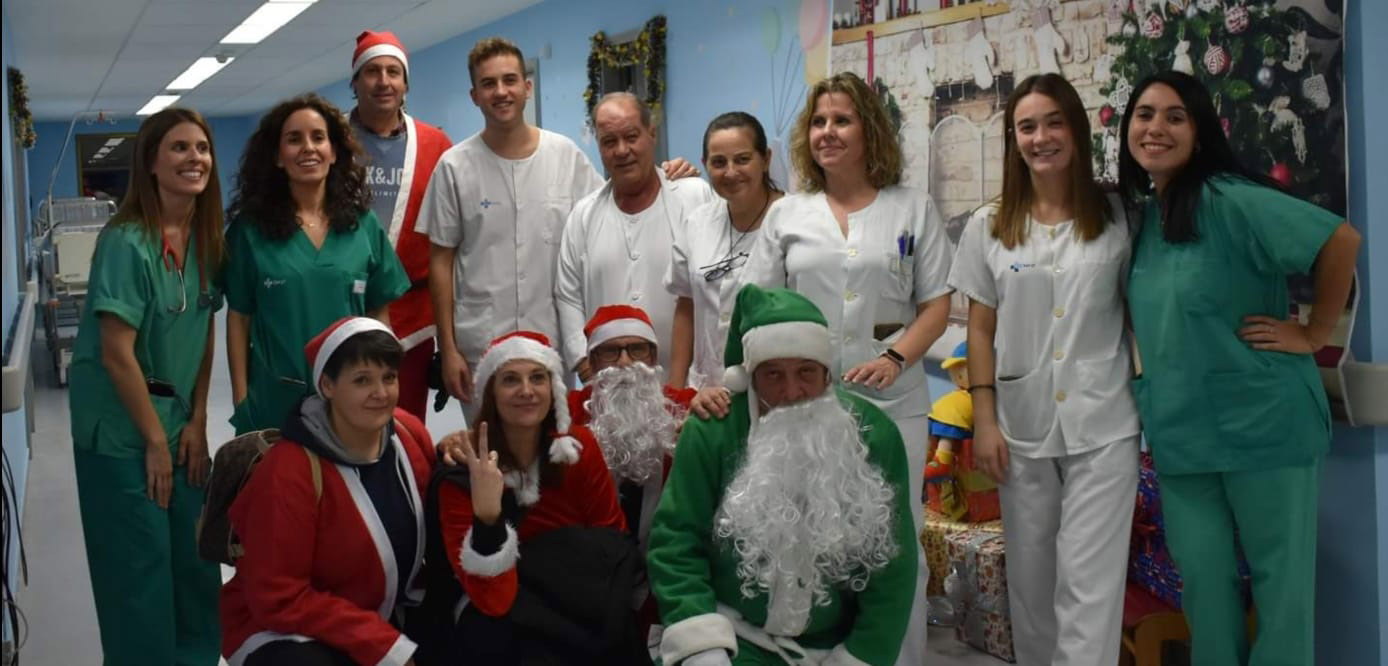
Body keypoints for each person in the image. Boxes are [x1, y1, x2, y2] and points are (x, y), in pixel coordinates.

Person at [1118, 71, 1360, 665]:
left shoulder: (1229, 199)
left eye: (1175, 116)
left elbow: (1341, 241)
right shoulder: (1146, 219)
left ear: (1200, 133)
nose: (1156, 127)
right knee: (1203, 585)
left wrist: (1314, 333)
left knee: (1281, 588)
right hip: (1182, 432)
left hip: (1263, 424)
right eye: (1144, 114)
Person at [738, 71, 951, 665]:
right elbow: (757, 309)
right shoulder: (788, 215)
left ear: (869, 130)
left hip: (895, 405)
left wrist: (895, 357)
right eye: (818, 122)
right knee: (809, 541)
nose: (827, 132)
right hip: (800, 409)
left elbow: (937, 305)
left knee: (896, 544)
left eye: (842, 120)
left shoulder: (911, 207)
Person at [948, 73, 1140, 666]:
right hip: (1020, 428)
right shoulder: (989, 225)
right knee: (1032, 587)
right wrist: (984, 421)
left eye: (1054, 122)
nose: (1041, 137)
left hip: (1104, 426)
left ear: (1076, 130)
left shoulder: (1119, 216)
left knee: (1089, 588)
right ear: (1014, 138)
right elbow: (980, 330)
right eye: (1027, 127)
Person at [418, 38, 697, 420]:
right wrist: (447, 348)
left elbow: (615, 202)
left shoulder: (565, 156)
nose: (501, 91)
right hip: (480, 343)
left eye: (510, 80)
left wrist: (669, 174)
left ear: (527, 87)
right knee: (488, 443)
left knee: (556, 445)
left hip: (551, 346)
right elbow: (440, 261)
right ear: (474, 95)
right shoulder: (454, 167)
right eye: (488, 83)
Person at [647, 284, 917, 666]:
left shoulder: (873, 435)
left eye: (806, 371)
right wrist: (702, 644)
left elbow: (892, 563)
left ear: (826, 373)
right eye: (773, 374)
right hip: (732, 638)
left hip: (833, 648)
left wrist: (863, 654)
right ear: (750, 377)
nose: (792, 391)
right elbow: (675, 541)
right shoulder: (713, 430)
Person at [67, 107, 224, 666]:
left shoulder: (206, 240)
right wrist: (155, 440)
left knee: (195, 563)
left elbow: (203, 330)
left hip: (179, 424)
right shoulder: (126, 242)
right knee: (139, 574)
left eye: (201, 148)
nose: (194, 158)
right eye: (179, 148)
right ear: (151, 163)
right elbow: (116, 353)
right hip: (122, 434)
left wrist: (198, 420)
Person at [220, 317, 435, 666]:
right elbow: (279, 597)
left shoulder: (409, 436)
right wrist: (383, 645)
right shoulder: (288, 471)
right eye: (362, 380)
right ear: (327, 385)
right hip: (284, 626)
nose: (381, 393)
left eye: (389, 377)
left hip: (377, 612)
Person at [436, 331, 636, 663]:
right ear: (491, 393)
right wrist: (488, 521)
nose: (527, 391)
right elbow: (492, 599)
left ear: (554, 388)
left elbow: (614, 547)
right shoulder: (461, 471)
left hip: (585, 608)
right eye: (510, 380)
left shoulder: (579, 448)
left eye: (538, 378)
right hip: (504, 625)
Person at [225, 93, 410, 434]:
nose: (308, 148)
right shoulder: (250, 231)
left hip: (353, 398)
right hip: (275, 399)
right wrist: (241, 400)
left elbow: (378, 313)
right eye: (294, 139)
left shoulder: (362, 225)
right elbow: (239, 319)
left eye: (318, 137)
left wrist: (382, 384)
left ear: (334, 151)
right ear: (278, 157)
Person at [556, 92, 717, 383]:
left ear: (652, 134)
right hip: (609, 388)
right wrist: (586, 368)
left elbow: (716, 284)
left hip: (689, 386)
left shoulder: (693, 197)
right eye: (609, 141)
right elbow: (568, 296)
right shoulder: (583, 215)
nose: (621, 150)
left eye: (631, 137)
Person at [348, 30, 454, 421]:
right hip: (342, 305)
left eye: (393, 72)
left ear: (405, 83)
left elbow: (451, 236)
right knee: (341, 419)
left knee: (406, 424)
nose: (383, 81)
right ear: (355, 82)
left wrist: (449, 341)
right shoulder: (331, 140)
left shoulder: (435, 144)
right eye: (372, 71)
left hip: (413, 317)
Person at [667, 112, 783, 419]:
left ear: (765, 159)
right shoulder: (697, 223)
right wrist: (677, 394)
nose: (731, 172)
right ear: (704, 164)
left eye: (743, 159)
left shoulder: (794, 220)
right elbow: (686, 307)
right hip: (705, 396)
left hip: (774, 399)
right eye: (718, 162)